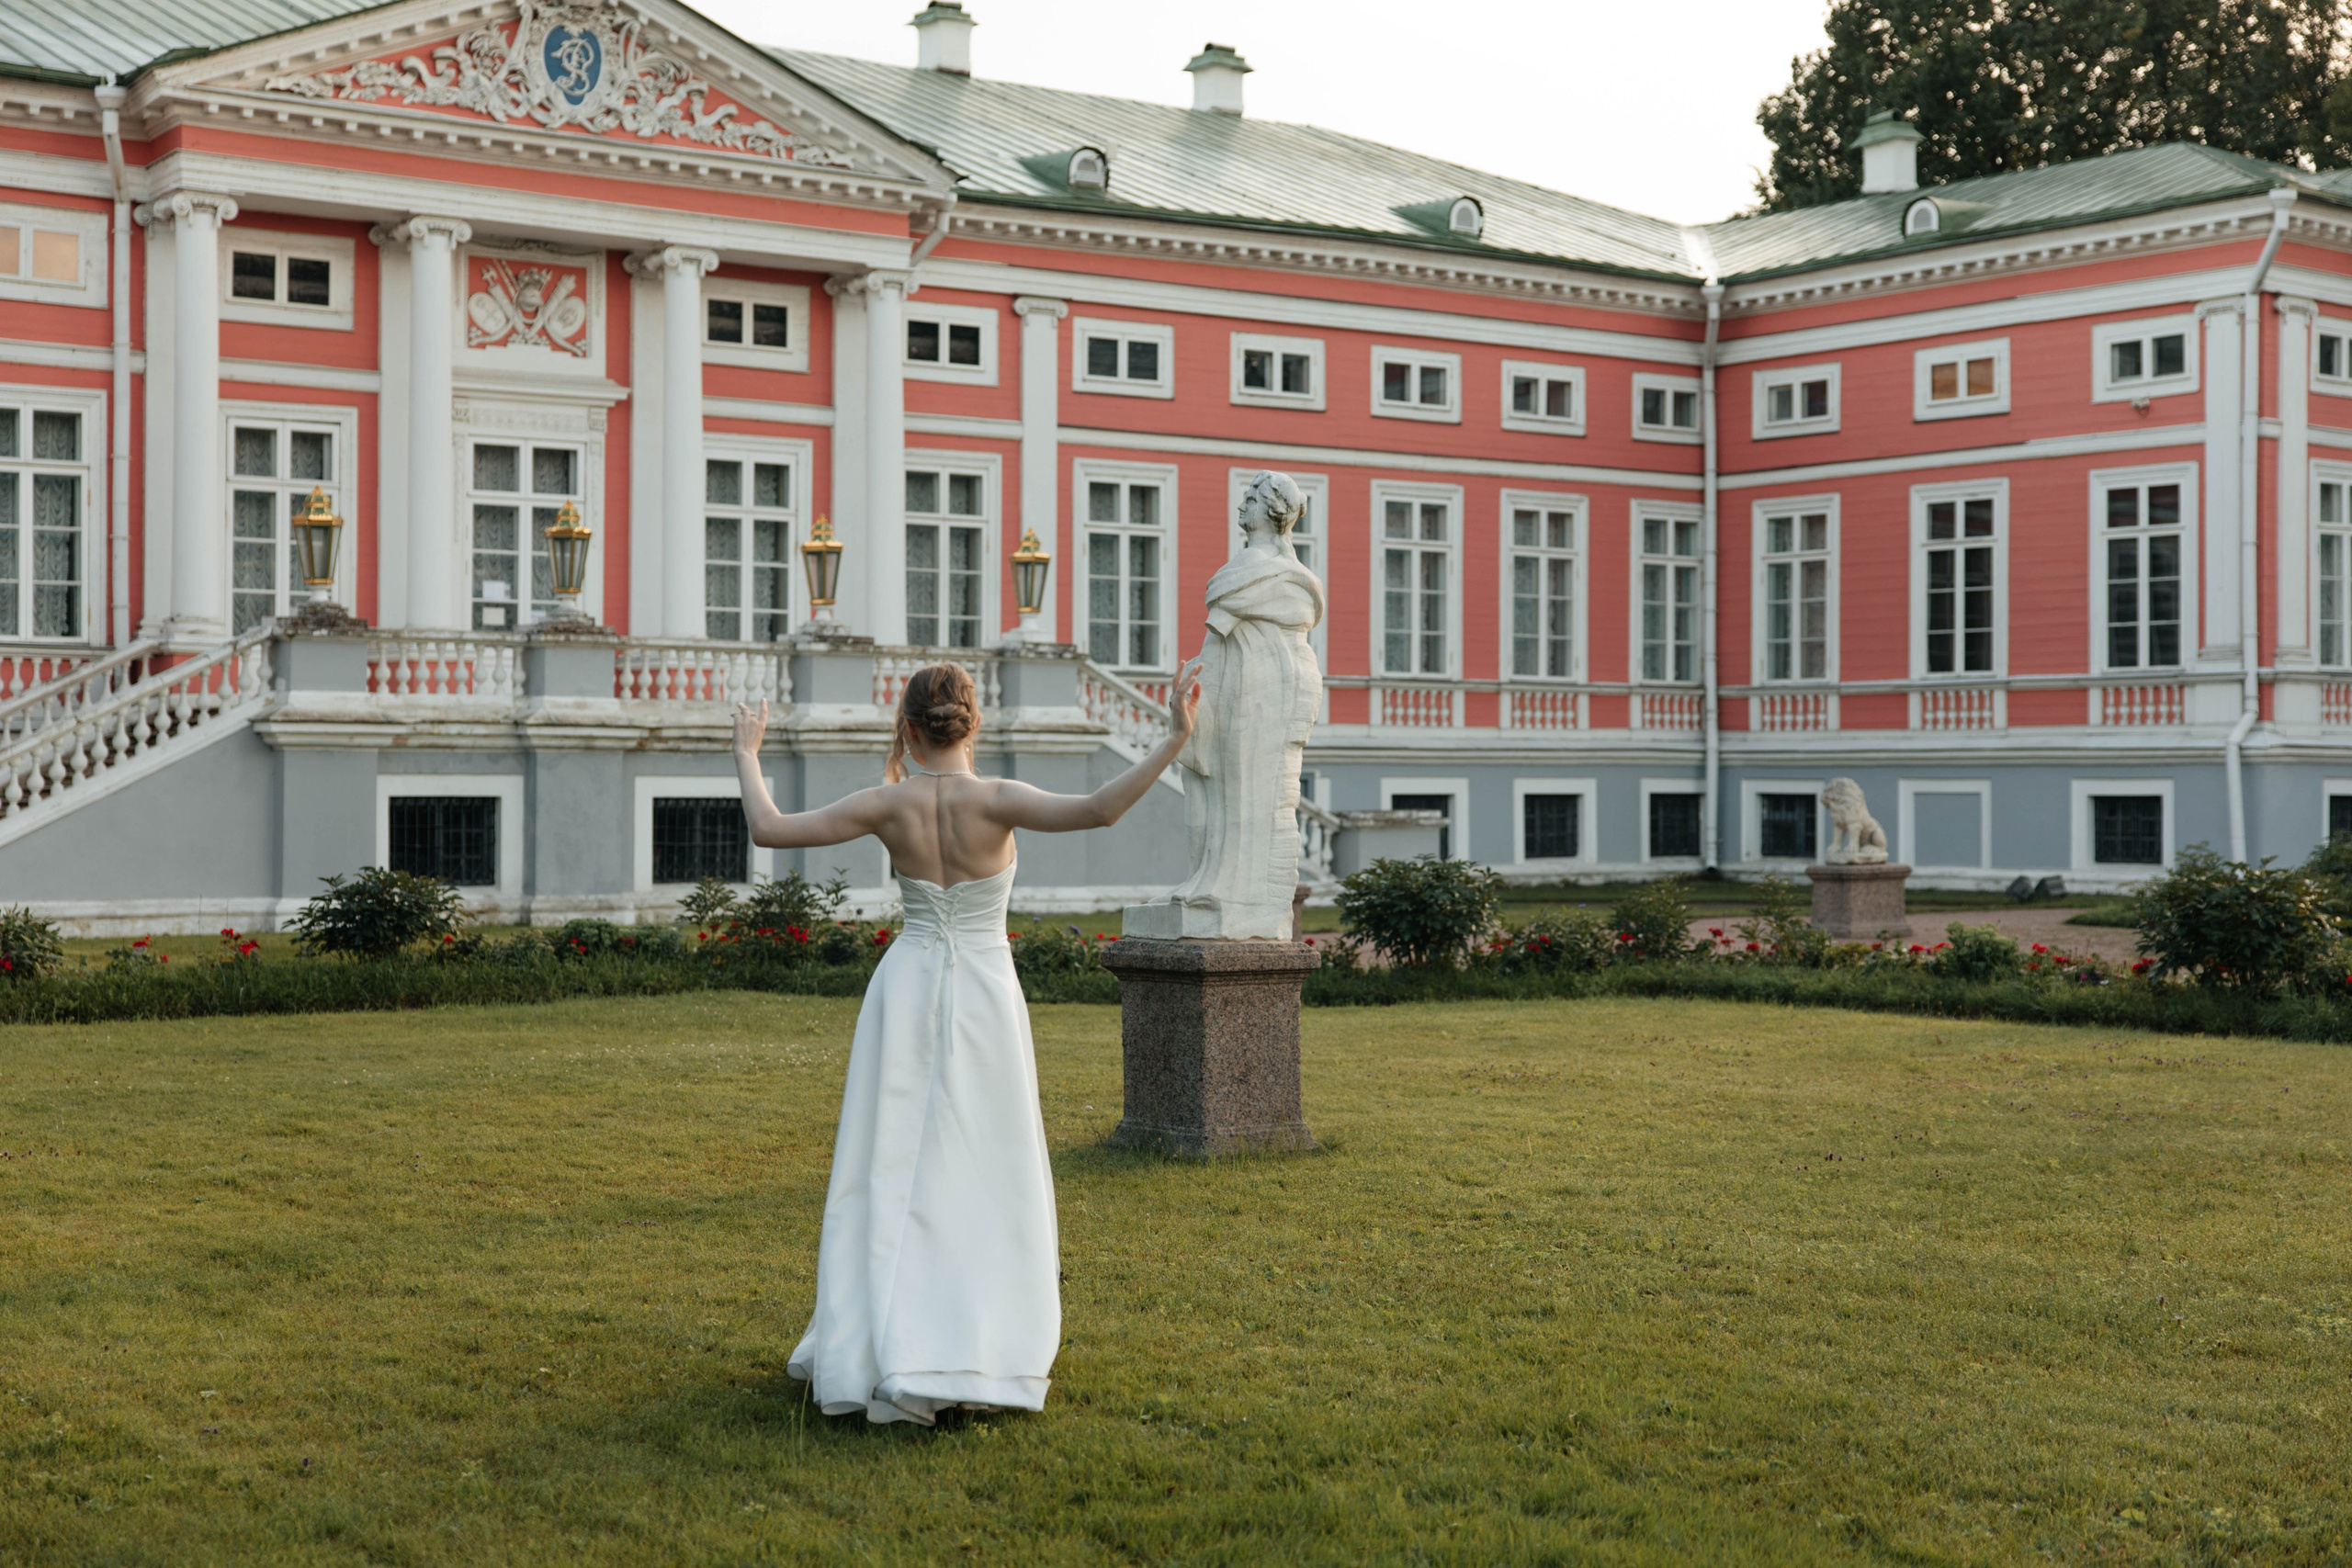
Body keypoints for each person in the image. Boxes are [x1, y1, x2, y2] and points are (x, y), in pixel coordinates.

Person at [731, 656, 1201, 1425]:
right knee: (986, 1157)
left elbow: (769, 828)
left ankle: (883, 1333)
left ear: (908, 727)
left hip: (908, 985)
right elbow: (1102, 809)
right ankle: (976, 1337)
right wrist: (1175, 736)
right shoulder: (1001, 798)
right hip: (984, 987)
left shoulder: (889, 804)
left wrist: (749, 753)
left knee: (889, 1162)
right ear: (971, 722)